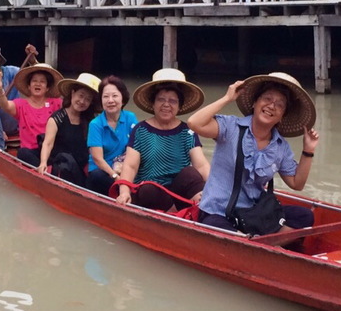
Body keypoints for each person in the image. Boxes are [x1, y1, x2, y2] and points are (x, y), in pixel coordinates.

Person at [187, 72, 320, 234]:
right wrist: (227, 98)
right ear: (255, 103)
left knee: (304, 216)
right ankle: (267, 240)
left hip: (253, 214)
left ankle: (256, 239)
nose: (272, 106)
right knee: (215, 225)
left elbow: (296, 184)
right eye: (267, 99)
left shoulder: (280, 146)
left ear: (282, 116)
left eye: (280, 104)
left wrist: (308, 150)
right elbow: (194, 123)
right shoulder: (231, 127)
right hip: (219, 212)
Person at [115, 68, 210, 211]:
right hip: (152, 194)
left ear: (179, 106)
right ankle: (175, 212)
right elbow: (130, 166)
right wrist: (124, 192)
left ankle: (200, 209)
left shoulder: (187, 131)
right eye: (161, 99)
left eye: (172, 101)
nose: (166, 105)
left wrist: (217, 190)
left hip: (179, 193)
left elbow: (201, 166)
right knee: (148, 189)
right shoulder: (141, 130)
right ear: (153, 103)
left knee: (190, 173)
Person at [37, 73, 101, 186]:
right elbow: (47, 143)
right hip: (62, 167)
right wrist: (43, 163)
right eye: (80, 96)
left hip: (81, 167)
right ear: (72, 93)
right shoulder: (57, 118)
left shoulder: (91, 121)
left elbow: (94, 148)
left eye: (87, 99)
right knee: (66, 159)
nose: (82, 101)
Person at [0, 63, 63, 165]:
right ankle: (43, 171)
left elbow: (70, 110)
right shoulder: (21, 104)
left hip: (51, 148)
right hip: (31, 151)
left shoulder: (56, 102)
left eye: (42, 82)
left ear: (47, 87)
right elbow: (5, 105)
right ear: (29, 86)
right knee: (22, 153)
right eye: (34, 81)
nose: (38, 84)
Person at [85, 76, 139, 195]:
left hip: (124, 168)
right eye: (105, 96)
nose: (110, 100)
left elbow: (138, 148)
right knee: (98, 176)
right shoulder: (95, 124)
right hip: (104, 172)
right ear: (101, 100)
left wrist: (126, 174)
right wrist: (115, 176)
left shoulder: (130, 118)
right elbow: (97, 159)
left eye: (115, 96)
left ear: (123, 99)